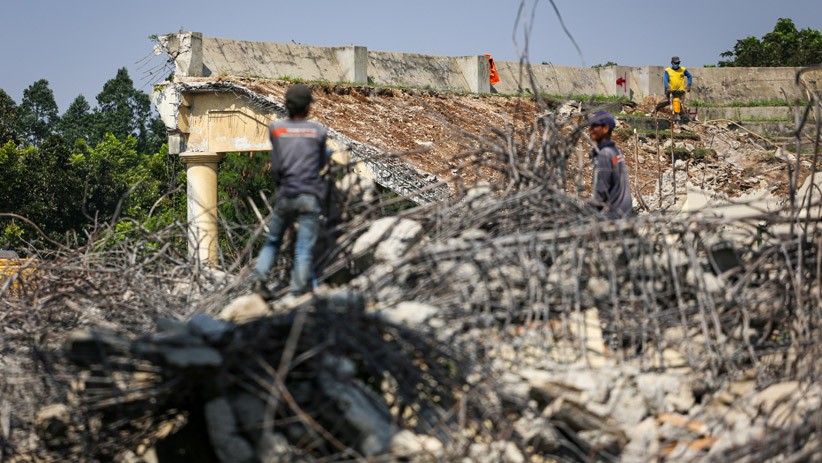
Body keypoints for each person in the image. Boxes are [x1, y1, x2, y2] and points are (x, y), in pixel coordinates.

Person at [252, 84, 328, 298]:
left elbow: (276, 165)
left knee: (273, 241)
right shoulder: (318, 130)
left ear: (287, 105)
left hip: (286, 194)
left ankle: (259, 281)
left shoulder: (276, 129)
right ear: (308, 108)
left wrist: (282, 186)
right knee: (303, 249)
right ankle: (296, 293)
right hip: (310, 196)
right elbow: (321, 163)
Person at [586, 110, 633, 218]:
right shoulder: (616, 152)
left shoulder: (605, 154)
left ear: (605, 129)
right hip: (625, 212)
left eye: (595, 126)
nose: (591, 130)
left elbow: (601, 193)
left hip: (614, 216)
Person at [663, 56, 693, 123]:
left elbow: (690, 76)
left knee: (680, 105)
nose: (676, 65)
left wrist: (689, 85)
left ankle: (680, 120)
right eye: (675, 63)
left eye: (678, 63)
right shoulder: (667, 70)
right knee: (670, 105)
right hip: (671, 91)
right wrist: (667, 87)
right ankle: (671, 119)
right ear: (672, 63)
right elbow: (665, 80)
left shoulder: (683, 69)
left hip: (680, 91)